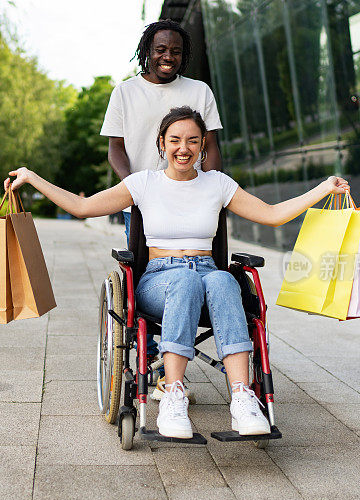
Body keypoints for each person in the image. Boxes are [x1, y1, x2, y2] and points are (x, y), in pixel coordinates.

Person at [7, 106, 349, 438]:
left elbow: (273, 214)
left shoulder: (217, 184)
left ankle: (243, 398)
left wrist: (323, 188)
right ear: (162, 143)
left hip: (207, 273)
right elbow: (82, 207)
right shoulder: (143, 184)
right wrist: (32, 178)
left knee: (223, 278)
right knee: (185, 279)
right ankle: (172, 394)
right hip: (159, 278)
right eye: (175, 140)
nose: (183, 149)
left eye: (192, 141)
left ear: (202, 146)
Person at [101, 19, 223, 400]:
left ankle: (172, 369)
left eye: (175, 51)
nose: (167, 57)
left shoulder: (199, 91)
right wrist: (134, 189)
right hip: (142, 202)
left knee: (201, 275)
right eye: (160, 50)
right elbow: (116, 149)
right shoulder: (125, 92)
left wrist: (210, 188)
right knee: (148, 276)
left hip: (191, 195)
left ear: (183, 55)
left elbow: (212, 147)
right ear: (146, 52)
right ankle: (153, 364)